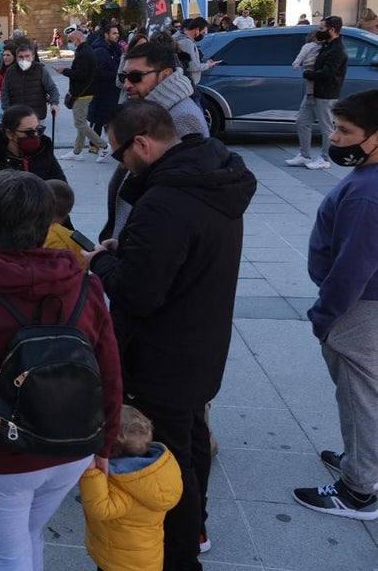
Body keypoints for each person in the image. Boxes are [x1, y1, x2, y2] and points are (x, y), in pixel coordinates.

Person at [0, 170, 122, 570]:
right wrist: (105, 442)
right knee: (29, 533)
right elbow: (110, 369)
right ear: (50, 224)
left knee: (6, 555)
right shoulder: (85, 284)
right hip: (73, 443)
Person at [87, 101, 257, 570]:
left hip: (162, 357)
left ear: (142, 143)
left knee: (168, 463)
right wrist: (133, 248)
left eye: (120, 154)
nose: (121, 164)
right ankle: (196, 528)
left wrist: (99, 262)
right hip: (203, 343)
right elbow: (185, 255)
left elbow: (136, 293)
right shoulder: (214, 174)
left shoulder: (164, 202)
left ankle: (180, 556)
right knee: (193, 437)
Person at [293, 90, 378, 521]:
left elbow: (352, 268)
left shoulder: (368, 192)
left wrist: (324, 316)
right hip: (364, 304)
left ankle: (359, 489)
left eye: (346, 131)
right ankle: (363, 459)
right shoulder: (369, 179)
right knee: (366, 392)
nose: (335, 137)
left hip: (358, 307)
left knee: (357, 393)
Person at [100, 39, 209, 241]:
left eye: (135, 77)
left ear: (165, 75)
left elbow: (184, 197)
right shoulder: (156, 109)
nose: (127, 84)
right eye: (124, 76)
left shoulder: (183, 116)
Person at [80, 405, 184, 571]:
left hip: (120, 562)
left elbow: (100, 508)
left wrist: (91, 473)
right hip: (144, 557)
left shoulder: (125, 485)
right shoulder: (158, 470)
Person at [289, 16, 348, 170]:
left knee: (326, 128)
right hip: (313, 92)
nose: (318, 32)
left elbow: (328, 73)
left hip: (326, 94)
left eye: (322, 29)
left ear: (332, 30)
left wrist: (308, 74)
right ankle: (304, 155)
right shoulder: (326, 45)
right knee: (302, 121)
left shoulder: (337, 50)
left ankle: (325, 158)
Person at [0, 104, 67, 186]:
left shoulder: (43, 149)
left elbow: (60, 185)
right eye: (29, 132)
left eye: (38, 130)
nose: (35, 135)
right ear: (10, 134)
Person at [60, 25, 108, 161]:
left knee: (80, 124)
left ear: (77, 39)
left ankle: (104, 146)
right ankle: (77, 151)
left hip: (82, 93)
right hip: (85, 92)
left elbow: (80, 74)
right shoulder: (86, 51)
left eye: (70, 40)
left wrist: (64, 71)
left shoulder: (84, 53)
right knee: (80, 123)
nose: (69, 44)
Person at [89, 22, 124, 161]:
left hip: (113, 92)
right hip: (103, 92)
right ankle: (96, 145)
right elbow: (100, 72)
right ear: (106, 35)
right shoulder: (100, 51)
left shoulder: (114, 49)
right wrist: (117, 76)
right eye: (114, 33)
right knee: (99, 120)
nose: (117, 36)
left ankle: (105, 145)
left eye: (117, 33)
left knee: (109, 121)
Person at [43, 179, 89, 269]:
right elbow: (93, 251)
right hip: (80, 279)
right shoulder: (76, 236)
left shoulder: (39, 236)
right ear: (70, 210)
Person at [290, 30, 322, 99]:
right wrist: (297, 63)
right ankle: (310, 95)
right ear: (313, 38)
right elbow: (301, 55)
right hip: (309, 65)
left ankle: (312, 94)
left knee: (314, 81)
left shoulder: (319, 46)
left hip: (315, 66)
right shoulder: (308, 46)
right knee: (310, 81)